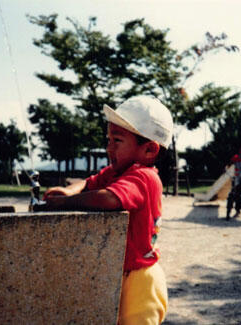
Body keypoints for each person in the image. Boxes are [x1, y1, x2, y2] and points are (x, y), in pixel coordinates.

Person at [43, 96, 172, 324]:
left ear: (149, 150)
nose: (109, 147)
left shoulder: (143, 177)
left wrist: (65, 203)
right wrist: (70, 192)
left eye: (118, 140)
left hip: (141, 278)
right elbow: (88, 183)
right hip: (120, 270)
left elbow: (110, 198)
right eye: (109, 139)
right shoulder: (116, 172)